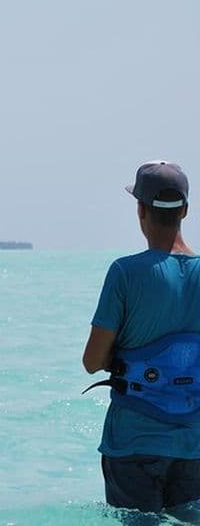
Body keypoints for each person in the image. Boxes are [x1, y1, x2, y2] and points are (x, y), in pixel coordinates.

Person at [83, 161, 200, 515]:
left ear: (140, 210)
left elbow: (92, 362)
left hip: (133, 442)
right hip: (193, 445)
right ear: (185, 210)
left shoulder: (125, 273)